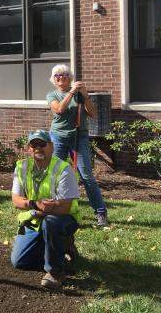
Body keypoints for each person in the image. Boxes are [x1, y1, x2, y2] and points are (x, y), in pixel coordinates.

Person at [10, 130, 80, 290]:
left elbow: (65, 206)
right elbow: (16, 200)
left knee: (51, 223)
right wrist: (35, 205)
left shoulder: (63, 169)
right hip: (36, 217)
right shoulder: (22, 166)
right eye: (33, 144)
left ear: (52, 147)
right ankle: (60, 250)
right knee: (19, 262)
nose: (38, 148)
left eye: (42, 144)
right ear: (29, 148)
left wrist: (44, 210)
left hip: (64, 217)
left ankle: (55, 273)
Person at [47, 64, 109, 227]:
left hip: (79, 137)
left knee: (87, 175)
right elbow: (59, 109)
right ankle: (54, 208)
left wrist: (86, 96)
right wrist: (72, 92)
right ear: (53, 79)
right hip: (58, 137)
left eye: (64, 75)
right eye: (57, 76)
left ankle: (100, 212)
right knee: (55, 174)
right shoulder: (52, 95)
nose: (61, 78)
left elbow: (93, 114)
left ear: (70, 77)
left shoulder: (80, 95)